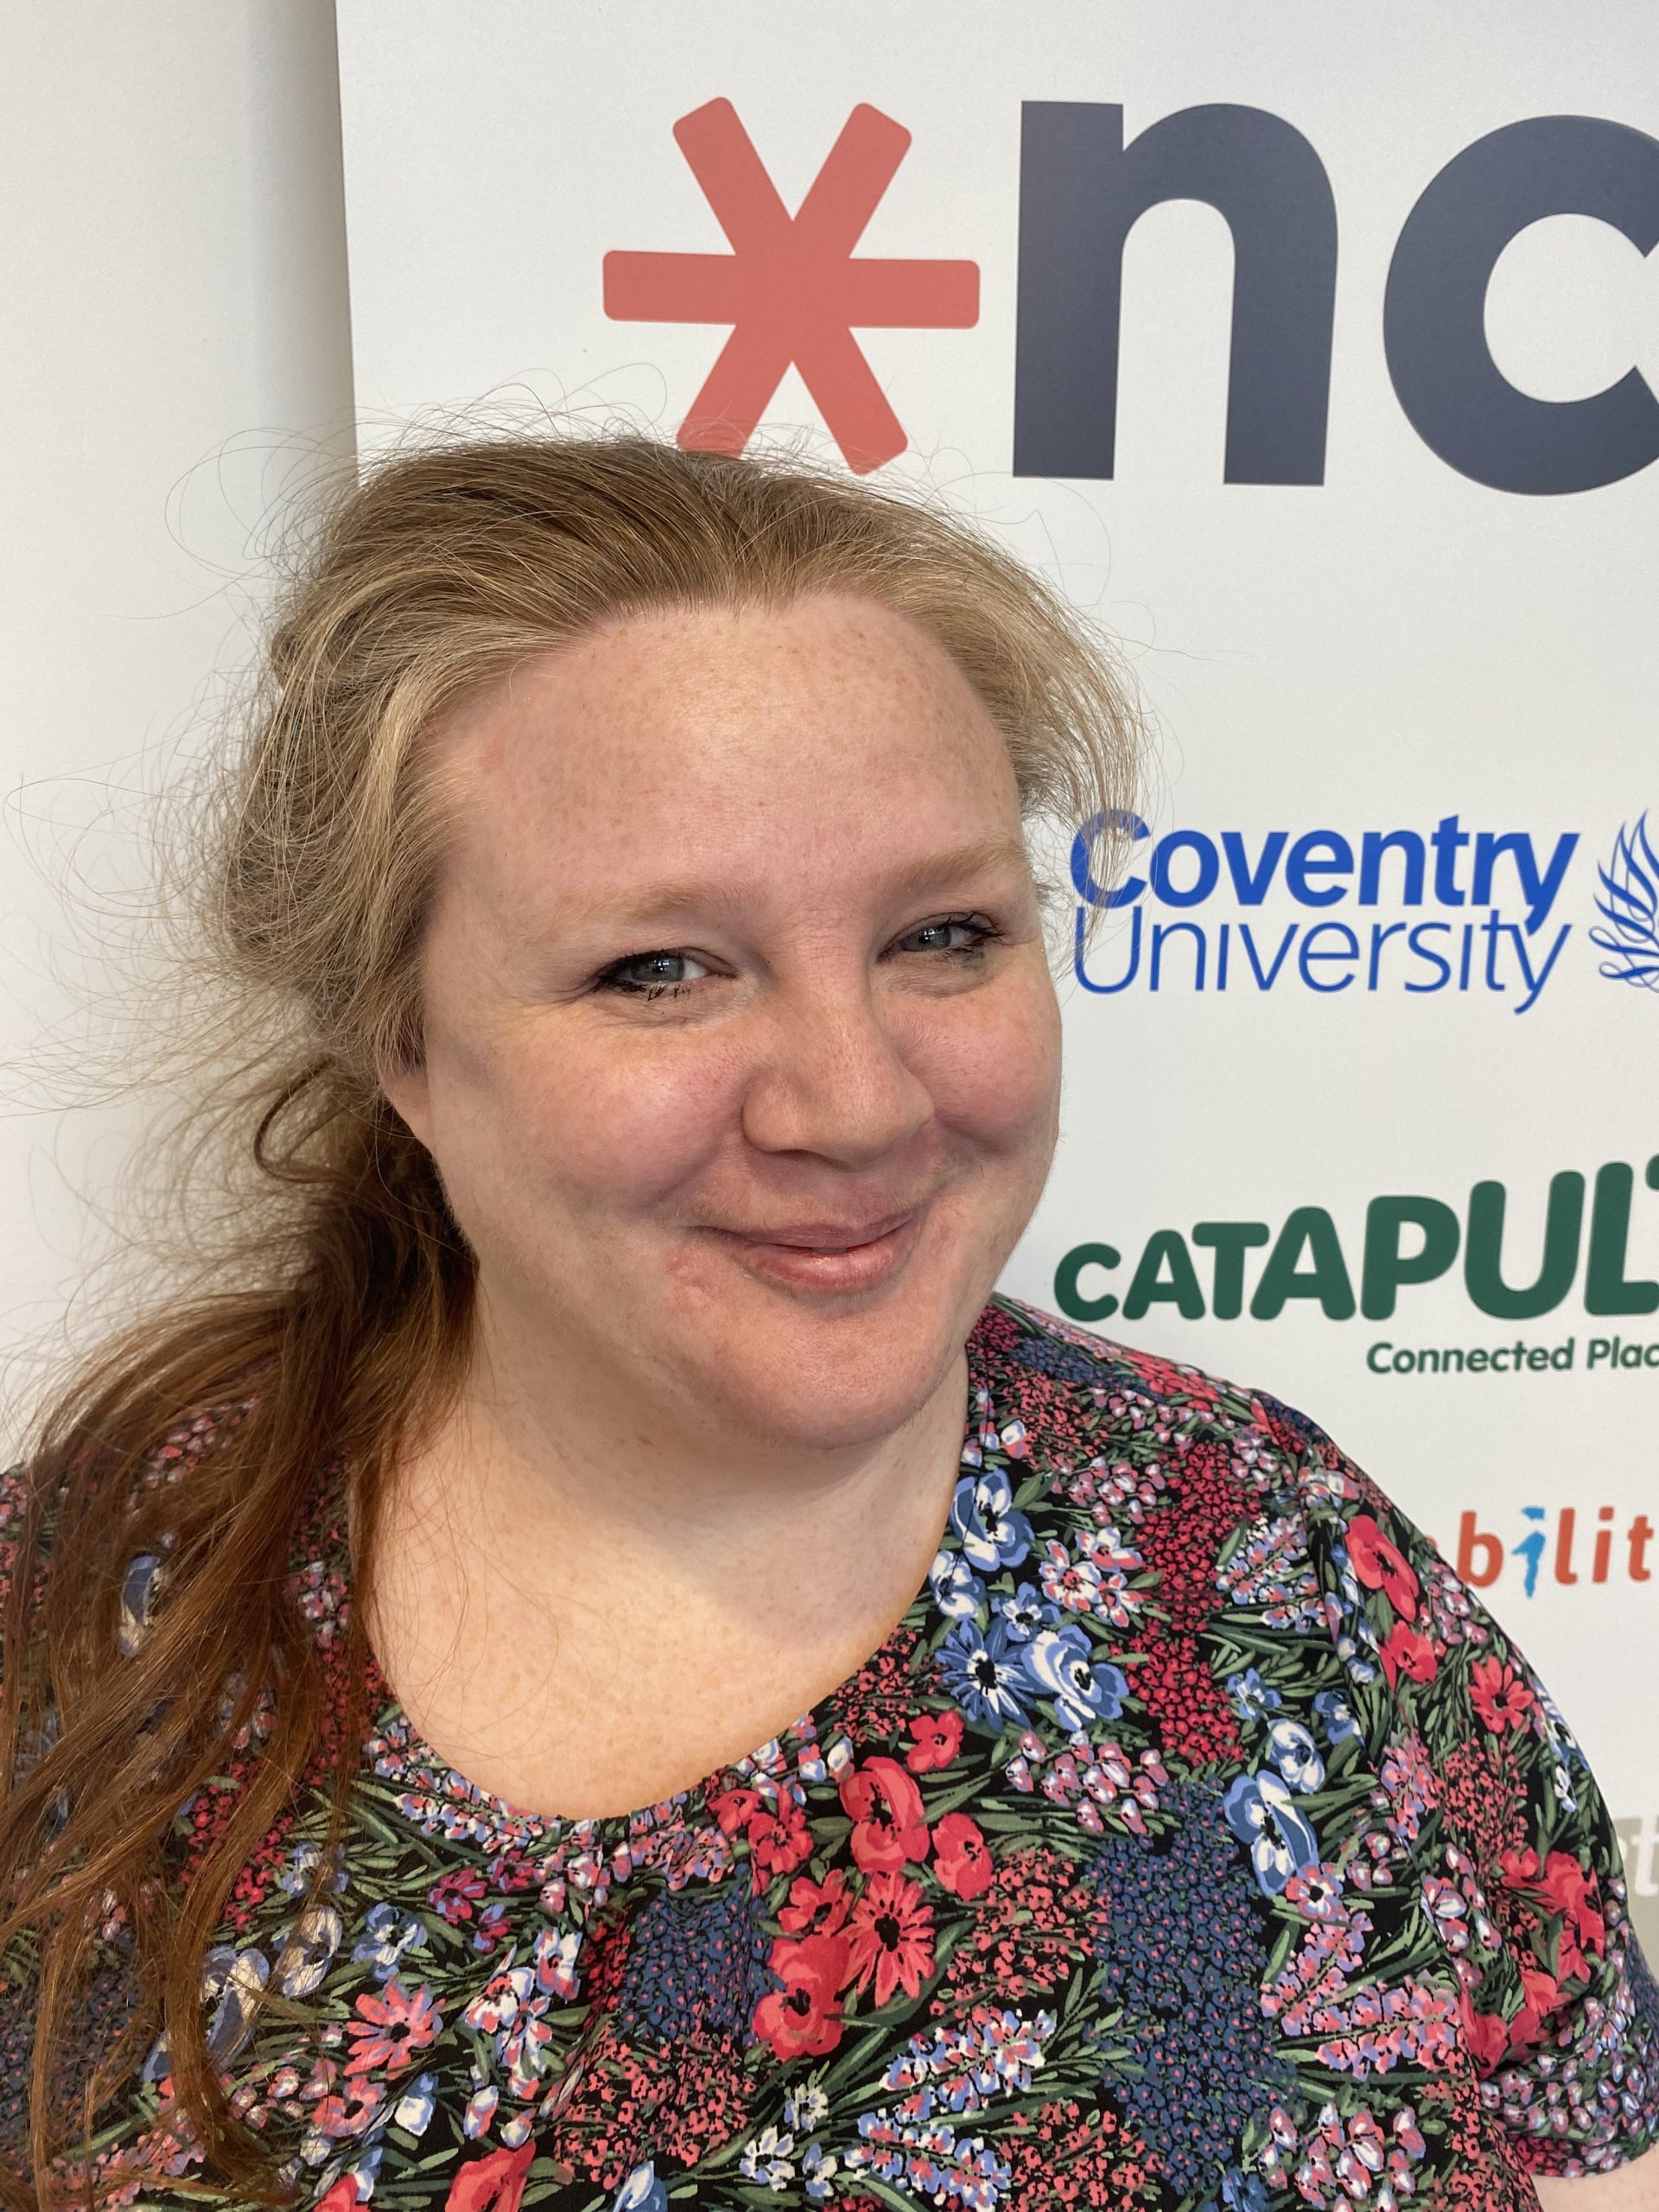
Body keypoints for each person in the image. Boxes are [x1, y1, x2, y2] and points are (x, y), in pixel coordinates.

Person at [1, 430, 1654, 2212]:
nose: (856, 1104)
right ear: (403, 1044)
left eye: (943, 933)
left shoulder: (1270, 1574)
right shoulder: (103, 1602)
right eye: (661, 967)